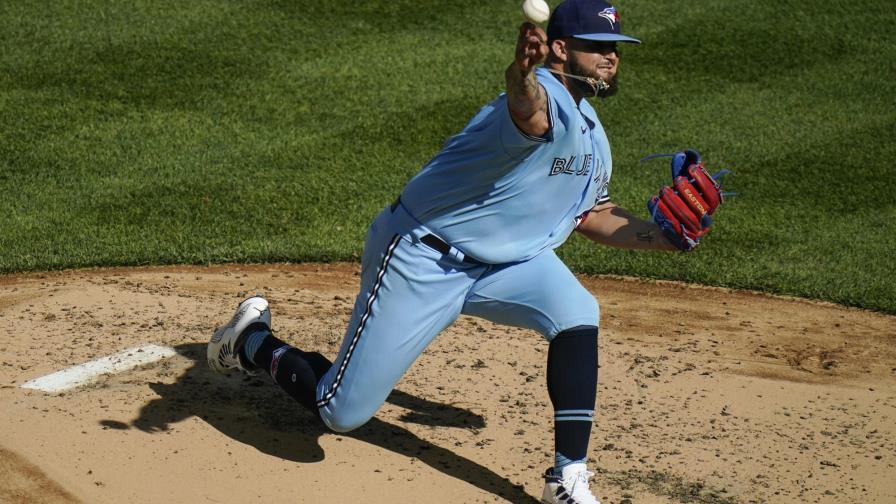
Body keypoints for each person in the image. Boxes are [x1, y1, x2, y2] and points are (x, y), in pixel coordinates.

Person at [208, 1, 704, 502]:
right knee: (340, 411)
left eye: (615, 48)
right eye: (597, 47)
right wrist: (520, 71)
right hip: (423, 259)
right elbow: (526, 107)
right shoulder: (544, 99)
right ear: (559, 49)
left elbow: (591, 214)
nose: (610, 57)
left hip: (506, 266)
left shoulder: (593, 129)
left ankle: (568, 477)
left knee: (578, 312)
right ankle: (251, 340)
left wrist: (660, 236)